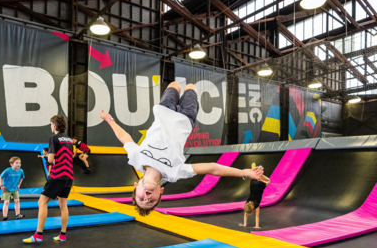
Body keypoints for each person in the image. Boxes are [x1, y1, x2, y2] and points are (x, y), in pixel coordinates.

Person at [98, 81, 263, 216]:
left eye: (141, 199)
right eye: (151, 201)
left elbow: (125, 138)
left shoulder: (136, 159)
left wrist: (109, 119)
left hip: (164, 109)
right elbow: (212, 168)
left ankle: (177, 83)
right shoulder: (174, 173)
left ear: (136, 186)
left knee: (175, 84)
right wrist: (244, 172)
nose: (146, 199)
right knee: (190, 87)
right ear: (161, 191)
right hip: (186, 118)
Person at [24, 115, 72, 243]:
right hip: (69, 175)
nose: (51, 126)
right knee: (63, 204)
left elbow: (50, 159)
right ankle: (62, 234)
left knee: (42, 202)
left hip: (58, 175)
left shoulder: (54, 138)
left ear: (54, 125)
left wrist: (45, 158)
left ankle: (38, 235)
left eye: (51, 124)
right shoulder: (68, 139)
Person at [0, 157, 25, 221]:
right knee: (7, 202)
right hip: (7, 188)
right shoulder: (7, 170)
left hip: (15, 188)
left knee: (17, 201)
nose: (18, 164)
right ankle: (5, 216)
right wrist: (1, 185)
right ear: (11, 164)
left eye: (19, 163)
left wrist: (19, 184)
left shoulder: (21, 171)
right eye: (16, 163)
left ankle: (18, 215)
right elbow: (0, 177)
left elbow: (22, 178)